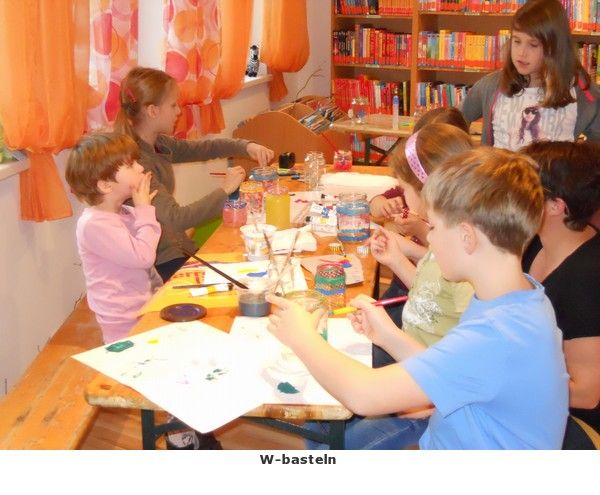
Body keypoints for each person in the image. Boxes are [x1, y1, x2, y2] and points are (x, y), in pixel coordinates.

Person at [266, 147, 569, 449]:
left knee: (322, 447)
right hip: (451, 436)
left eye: (433, 227)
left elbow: (364, 394)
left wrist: (302, 336)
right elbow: (461, 369)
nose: (430, 238)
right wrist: (388, 336)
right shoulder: (519, 299)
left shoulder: (498, 335)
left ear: (467, 237)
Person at [114, 66, 275, 281]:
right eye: (173, 105)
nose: (179, 111)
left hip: (176, 248)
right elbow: (177, 219)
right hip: (160, 262)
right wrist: (225, 190)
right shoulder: (138, 164)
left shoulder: (158, 143)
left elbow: (204, 148)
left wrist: (246, 146)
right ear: (152, 111)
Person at [522, 140, 600, 448]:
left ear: (556, 206)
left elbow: (587, 393)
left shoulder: (587, 277)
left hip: (578, 422)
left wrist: (502, 386)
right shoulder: (535, 241)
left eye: (523, 188)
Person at [368, 107, 471, 328]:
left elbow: (438, 307)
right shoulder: (455, 223)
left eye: (405, 189)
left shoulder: (462, 239)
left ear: (425, 188)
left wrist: (387, 336)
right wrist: (398, 254)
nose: (403, 195)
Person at [461, 0, 600, 150]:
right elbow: (456, 120)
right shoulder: (491, 85)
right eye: (517, 41)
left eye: (533, 45)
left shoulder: (581, 90)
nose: (521, 53)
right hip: (498, 164)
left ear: (554, 48)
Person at [65, 132, 161, 344]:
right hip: (125, 324)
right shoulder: (94, 225)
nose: (140, 168)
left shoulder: (127, 213)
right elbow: (144, 257)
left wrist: (142, 211)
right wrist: (145, 210)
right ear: (106, 185)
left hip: (146, 309)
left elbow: (147, 245)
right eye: (131, 165)